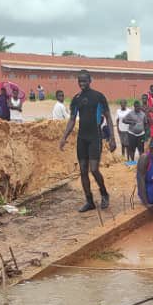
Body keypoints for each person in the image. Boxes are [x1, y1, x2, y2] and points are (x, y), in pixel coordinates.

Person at [59, 70, 115, 212]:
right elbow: (72, 119)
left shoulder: (99, 97)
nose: (82, 83)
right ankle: (89, 201)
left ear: (90, 80)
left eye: (84, 80)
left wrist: (112, 138)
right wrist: (64, 137)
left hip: (95, 136)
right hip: (82, 138)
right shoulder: (76, 99)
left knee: (94, 169)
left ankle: (104, 194)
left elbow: (108, 117)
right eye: (80, 81)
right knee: (83, 170)